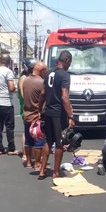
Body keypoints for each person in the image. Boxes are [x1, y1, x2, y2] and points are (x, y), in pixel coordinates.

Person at [37, 50, 75, 180]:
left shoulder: (48, 73)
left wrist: (39, 109)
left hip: (48, 112)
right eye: (70, 63)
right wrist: (70, 115)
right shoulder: (65, 75)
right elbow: (64, 97)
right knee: (59, 143)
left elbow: (42, 93)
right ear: (67, 61)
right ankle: (56, 172)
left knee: (48, 141)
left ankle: (42, 171)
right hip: (59, 114)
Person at [0, 53, 20, 155]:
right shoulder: (8, 72)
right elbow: (11, 88)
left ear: (0, 61)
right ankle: (11, 148)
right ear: (8, 62)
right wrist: (15, 88)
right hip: (6, 102)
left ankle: (0, 148)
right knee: (9, 126)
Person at [22, 61, 48, 170]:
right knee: (39, 142)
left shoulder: (25, 81)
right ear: (41, 71)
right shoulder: (41, 82)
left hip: (26, 115)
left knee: (28, 140)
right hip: (37, 117)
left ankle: (28, 161)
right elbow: (44, 98)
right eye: (45, 71)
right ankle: (37, 163)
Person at [17, 58, 36, 161]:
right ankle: (25, 154)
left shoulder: (29, 77)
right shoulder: (23, 78)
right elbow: (24, 95)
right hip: (26, 107)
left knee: (32, 130)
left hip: (31, 107)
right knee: (26, 131)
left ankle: (31, 153)